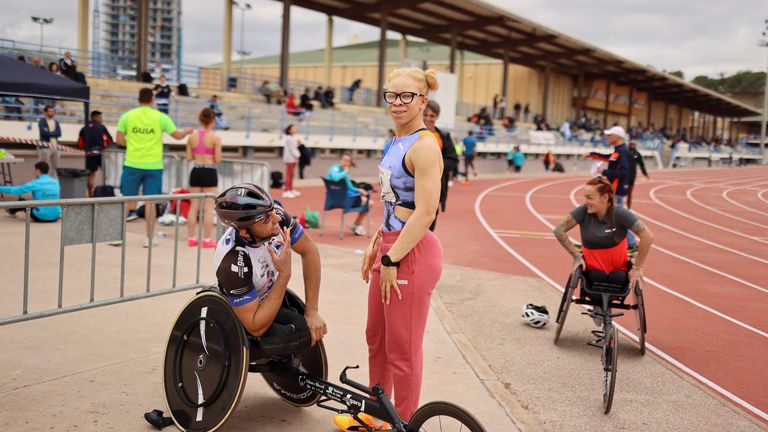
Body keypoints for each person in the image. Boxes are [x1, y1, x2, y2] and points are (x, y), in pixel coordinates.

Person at [334, 67, 444, 431]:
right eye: (392, 96)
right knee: (376, 339)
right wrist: (376, 241)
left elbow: (426, 212)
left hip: (410, 254)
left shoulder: (426, 147)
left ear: (423, 101)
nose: (398, 103)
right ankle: (378, 413)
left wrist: (392, 256)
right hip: (390, 246)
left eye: (407, 96)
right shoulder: (394, 141)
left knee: (404, 349)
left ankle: (405, 423)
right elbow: (392, 202)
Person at [213, 183, 327, 345]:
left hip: (268, 298)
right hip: (246, 314)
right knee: (290, 336)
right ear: (245, 232)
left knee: (305, 328)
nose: (277, 218)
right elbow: (255, 327)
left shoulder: (276, 217)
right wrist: (285, 274)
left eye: (273, 211)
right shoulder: (233, 261)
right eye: (267, 219)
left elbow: (310, 251)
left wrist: (312, 310)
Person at [552, 176, 654, 324]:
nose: (585, 201)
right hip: (593, 270)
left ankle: (603, 308)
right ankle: (599, 306)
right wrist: (576, 256)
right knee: (596, 277)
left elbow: (648, 236)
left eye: (589, 197)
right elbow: (559, 230)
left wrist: (637, 267)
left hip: (617, 269)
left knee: (618, 278)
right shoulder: (583, 211)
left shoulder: (620, 214)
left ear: (604, 197)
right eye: (584, 197)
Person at [116, 88, 193, 247]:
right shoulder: (161, 117)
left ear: (138, 100)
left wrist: (133, 143)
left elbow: (119, 140)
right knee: (151, 203)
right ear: (153, 100)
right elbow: (177, 136)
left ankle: (118, 237)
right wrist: (187, 131)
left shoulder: (127, 116)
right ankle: (149, 238)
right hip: (153, 166)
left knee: (125, 200)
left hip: (132, 163)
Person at [584, 126, 636, 251]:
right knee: (612, 215)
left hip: (616, 190)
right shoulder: (618, 151)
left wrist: (605, 171)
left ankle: (631, 243)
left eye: (609, 135)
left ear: (617, 137)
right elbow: (608, 157)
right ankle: (627, 242)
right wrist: (593, 154)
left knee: (616, 216)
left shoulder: (623, 152)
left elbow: (624, 173)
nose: (607, 137)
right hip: (614, 189)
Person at [186, 108, 222, 248]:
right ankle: (206, 240)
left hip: (196, 170)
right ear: (213, 120)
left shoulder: (191, 137)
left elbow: (189, 157)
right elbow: (218, 159)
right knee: (208, 208)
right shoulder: (215, 138)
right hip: (209, 171)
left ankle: (191, 237)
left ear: (200, 119)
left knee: (193, 206)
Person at [422, 100, 459, 215]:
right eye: (425, 115)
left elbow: (453, 160)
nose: (428, 118)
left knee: (429, 223)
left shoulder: (443, 137)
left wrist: (434, 164)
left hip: (435, 187)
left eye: (432, 116)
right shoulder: (411, 134)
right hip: (411, 187)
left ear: (437, 117)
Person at [326, 152, 371, 236]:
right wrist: (346, 171)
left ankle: (356, 225)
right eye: (344, 159)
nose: (345, 162)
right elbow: (336, 178)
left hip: (336, 199)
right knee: (370, 203)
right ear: (340, 160)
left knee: (364, 198)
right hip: (343, 201)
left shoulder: (343, 172)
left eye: (347, 161)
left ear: (350, 163)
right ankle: (356, 224)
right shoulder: (335, 168)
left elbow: (350, 187)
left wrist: (359, 190)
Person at [77, 111, 114, 197]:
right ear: (95, 117)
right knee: (105, 174)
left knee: (90, 175)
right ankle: (106, 194)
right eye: (100, 117)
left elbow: (80, 143)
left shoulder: (84, 128)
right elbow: (110, 141)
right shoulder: (101, 127)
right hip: (100, 154)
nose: (102, 119)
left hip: (89, 154)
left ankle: (90, 196)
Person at [37, 105, 61, 178]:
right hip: (45, 147)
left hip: (55, 146)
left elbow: (59, 133)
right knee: (43, 166)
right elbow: (43, 133)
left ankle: (53, 182)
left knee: (55, 167)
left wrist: (50, 133)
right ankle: (40, 182)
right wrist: (54, 133)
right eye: (50, 111)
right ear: (45, 112)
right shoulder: (41, 121)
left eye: (52, 111)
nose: (51, 113)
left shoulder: (56, 122)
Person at [627, 141, 649, 209]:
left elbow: (641, 165)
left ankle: (628, 208)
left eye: (634, 144)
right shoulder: (625, 153)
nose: (632, 145)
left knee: (630, 193)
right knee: (619, 192)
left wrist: (645, 173)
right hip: (624, 175)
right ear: (629, 144)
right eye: (631, 144)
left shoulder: (637, 154)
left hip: (632, 175)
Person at [282, 124, 302, 198]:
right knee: (289, 175)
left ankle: (290, 189)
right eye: (293, 128)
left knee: (291, 175)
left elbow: (294, 148)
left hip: (292, 159)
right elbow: (292, 149)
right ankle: (286, 191)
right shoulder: (289, 138)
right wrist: (298, 155)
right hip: (290, 159)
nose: (295, 130)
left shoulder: (292, 138)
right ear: (289, 130)